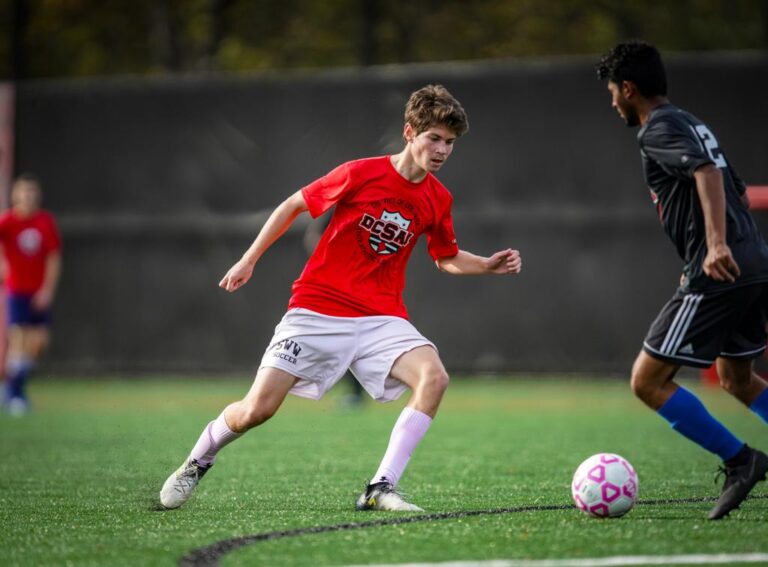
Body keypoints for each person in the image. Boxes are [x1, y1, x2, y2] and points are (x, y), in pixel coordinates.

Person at [160, 84, 522, 511]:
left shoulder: (438, 198)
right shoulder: (360, 172)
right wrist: (248, 259)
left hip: (380, 316)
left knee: (434, 377)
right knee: (256, 410)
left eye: (450, 143)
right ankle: (197, 460)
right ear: (410, 132)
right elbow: (291, 206)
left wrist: (486, 264)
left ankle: (380, 487)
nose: (442, 149)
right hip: (316, 309)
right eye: (434, 138)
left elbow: (445, 257)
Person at [596, 41, 768, 520]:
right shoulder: (691, 121)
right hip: (752, 263)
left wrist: (714, 246)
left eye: (613, 91)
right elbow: (731, 186)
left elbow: (707, 173)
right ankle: (743, 458)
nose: (612, 102)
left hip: (722, 269)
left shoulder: (659, 128)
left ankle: (741, 460)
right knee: (736, 377)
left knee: (647, 382)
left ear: (628, 88)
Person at [0, 174, 62, 415]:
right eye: (24, 192)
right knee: (19, 339)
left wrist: (47, 290)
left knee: (39, 343)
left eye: (32, 192)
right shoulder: (7, 221)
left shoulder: (44, 222)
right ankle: (16, 395)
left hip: (38, 292)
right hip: (16, 290)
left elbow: (54, 257)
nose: (29, 197)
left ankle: (10, 388)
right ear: (16, 195)